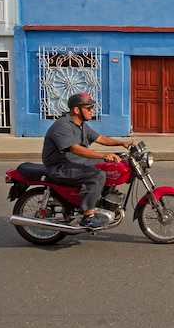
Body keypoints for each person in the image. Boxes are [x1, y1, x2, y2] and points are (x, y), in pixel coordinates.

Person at [42, 92, 131, 229]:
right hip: (60, 166)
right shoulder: (63, 125)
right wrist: (103, 155)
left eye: (92, 108)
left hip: (75, 162)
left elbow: (100, 138)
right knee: (97, 175)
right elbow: (75, 149)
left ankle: (100, 200)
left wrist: (121, 143)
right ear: (76, 110)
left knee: (109, 167)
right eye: (88, 108)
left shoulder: (81, 125)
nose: (92, 111)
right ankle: (87, 216)